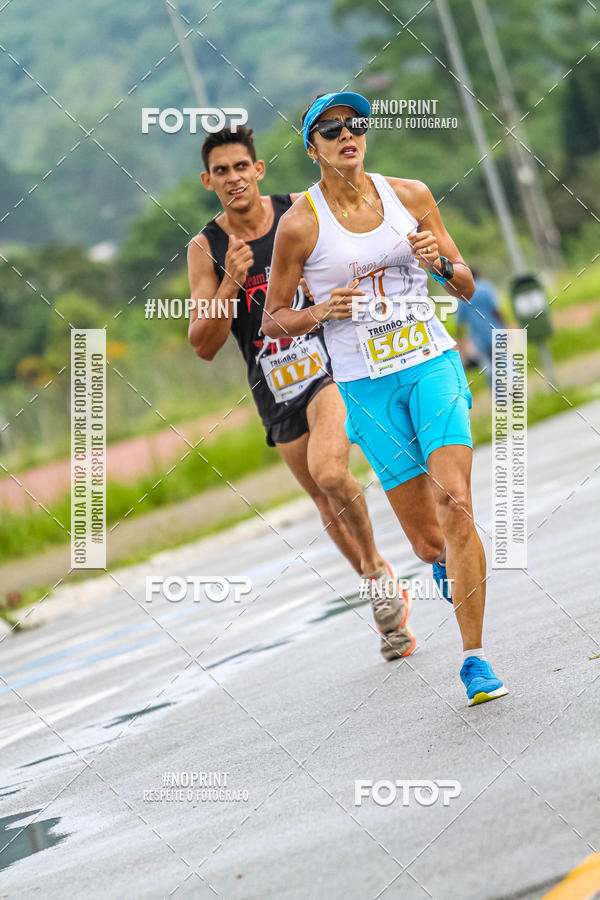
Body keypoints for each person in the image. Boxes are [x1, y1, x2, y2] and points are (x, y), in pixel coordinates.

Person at [262, 92, 508, 705]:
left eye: (356, 125)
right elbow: (272, 319)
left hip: (431, 362)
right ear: (312, 147)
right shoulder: (300, 225)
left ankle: (475, 660)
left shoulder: (412, 196)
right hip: (365, 387)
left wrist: (441, 267)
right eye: (331, 129)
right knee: (430, 542)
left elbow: (466, 280)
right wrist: (318, 311)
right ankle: (443, 567)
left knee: (456, 504)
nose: (348, 134)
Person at [187, 125, 416, 660]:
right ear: (208, 181)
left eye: (241, 167)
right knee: (321, 495)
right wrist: (228, 284)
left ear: (258, 169)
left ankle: (381, 581)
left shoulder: (297, 213)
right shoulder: (207, 248)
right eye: (221, 171)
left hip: (328, 364)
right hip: (273, 383)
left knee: (331, 471)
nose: (233, 179)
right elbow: (202, 343)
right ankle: (377, 579)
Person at [456, 269, 507, 385]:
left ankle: (496, 393)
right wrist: (504, 326)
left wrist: (461, 343)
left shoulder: (462, 296)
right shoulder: (486, 288)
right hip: (495, 332)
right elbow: (496, 310)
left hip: (477, 338)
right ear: (478, 276)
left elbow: (459, 323)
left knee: (488, 366)